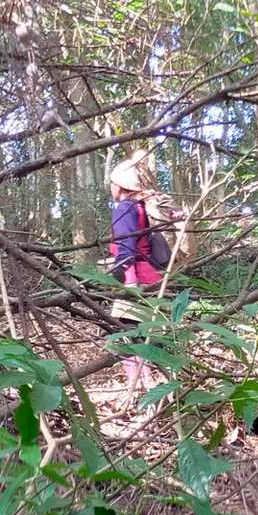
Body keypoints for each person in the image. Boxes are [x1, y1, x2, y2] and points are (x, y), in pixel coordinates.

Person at [106, 152, 165, 400]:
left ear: (119, 186)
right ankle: (153, 388)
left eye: (112, 183)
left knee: (126, 336)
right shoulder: (142, 207)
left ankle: (139, 390)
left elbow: (126, 248)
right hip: (154, 277)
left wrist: (128, 284)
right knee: (148, 336)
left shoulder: (125, 208)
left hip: (136, 279)